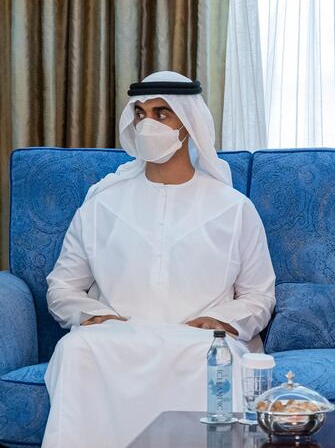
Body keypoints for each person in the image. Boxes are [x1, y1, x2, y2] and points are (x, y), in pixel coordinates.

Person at [43, 71, 276, 448]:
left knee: (219, 361)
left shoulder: (234, 208)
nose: (147, 123)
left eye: (162, 113)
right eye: (140, 113)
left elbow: (259, 295)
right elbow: (63, 285)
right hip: (119, 339)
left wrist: (223, 320)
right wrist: (88, 313)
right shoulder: (102, 205)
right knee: (76, 348)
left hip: (199, 344)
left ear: (189, 124)